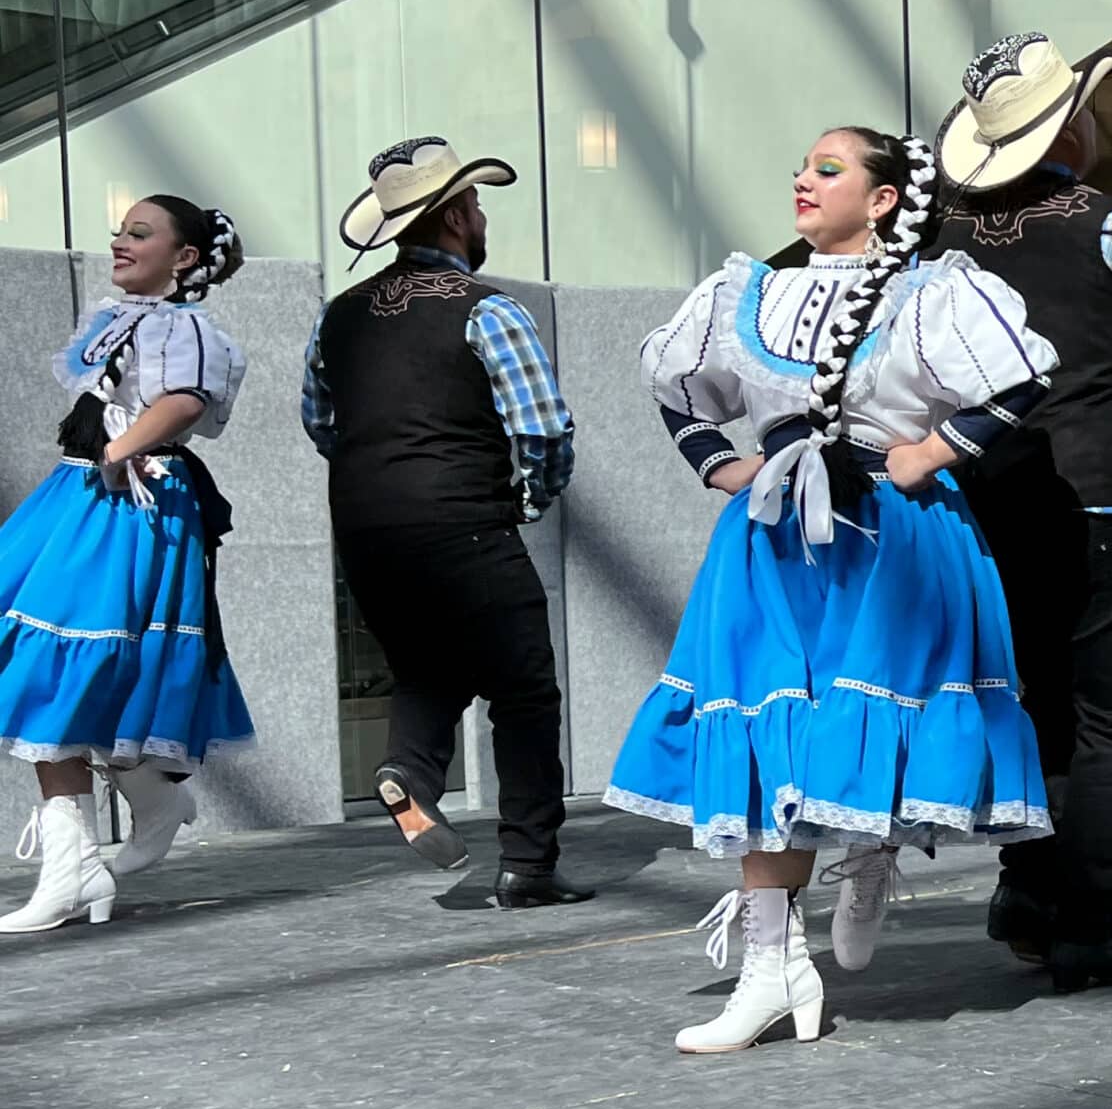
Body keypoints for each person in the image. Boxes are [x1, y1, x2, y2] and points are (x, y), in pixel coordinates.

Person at [606, 127, 1058, 1052]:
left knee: (858, 714)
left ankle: (869, 847)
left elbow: (1020, 378)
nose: (802, 181)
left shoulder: (935, 290)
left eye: (827, 168)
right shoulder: (748, 290)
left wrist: (930, 451)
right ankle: (773, 971)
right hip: (773, 536)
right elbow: (676, 385)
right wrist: (717, 465)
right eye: (801, 166)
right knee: (770, 734)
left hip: (893, 538)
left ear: (884, 197)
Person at [925, 32, 1112, 992]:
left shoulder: (947, 233)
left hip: (982, 503)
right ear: (1076, 125)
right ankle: (1086, 919)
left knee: (1034, 703)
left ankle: (1026, 887)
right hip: (1099, 494)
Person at [304, 138, 590, 908]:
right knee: (524, 689)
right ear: (460, 212)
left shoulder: (340, 316)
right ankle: (528, 864)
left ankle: (409, 768)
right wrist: (528, 498)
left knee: (430, 662)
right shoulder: (488, 309)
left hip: (366, 532)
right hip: (463, 518)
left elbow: (321, 420)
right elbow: (543, 429)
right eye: (478, 203)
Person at [0, 197, 250, 932]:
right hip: (82, 497)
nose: (119, 241)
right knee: (46, 663)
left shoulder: (183, 325)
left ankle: (89, 855)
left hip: (133, 502)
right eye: (120, 231)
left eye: (139, 233)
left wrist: (118, 450)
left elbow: (182, 399)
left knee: (69, 664)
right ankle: (116, 828)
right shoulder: (126, 319)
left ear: (186, 259)